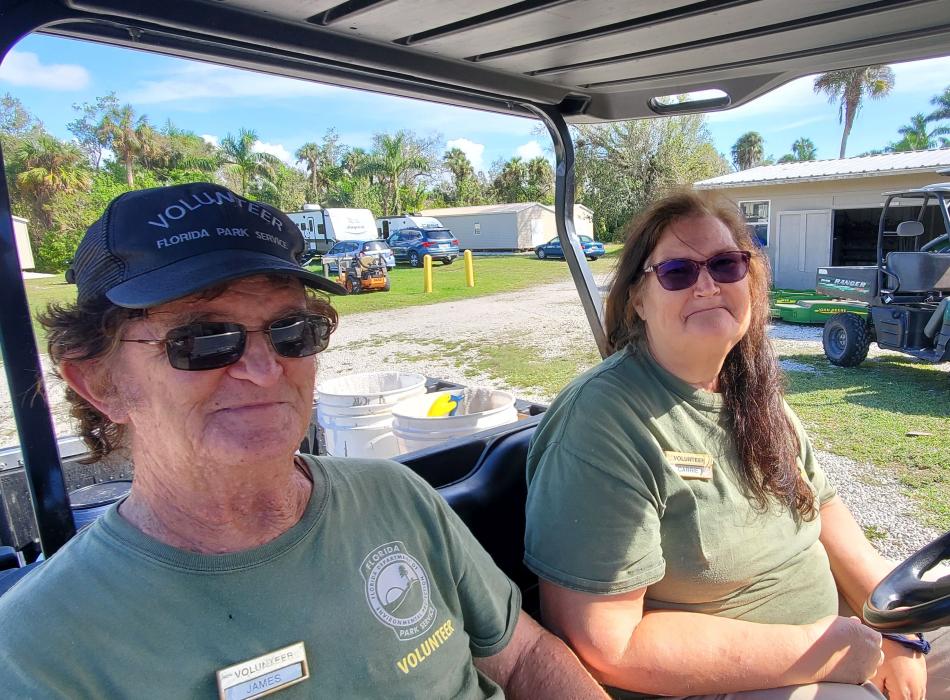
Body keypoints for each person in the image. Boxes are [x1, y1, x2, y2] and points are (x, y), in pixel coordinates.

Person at [0, 182, 608, 699]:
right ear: (97, 380)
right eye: (205, 340)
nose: (266, 371)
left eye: (293, 330)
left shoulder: (396, 497)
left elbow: (524, 658)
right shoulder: (41, 649)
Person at [523, 189, 948, 700]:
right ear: (638, 298)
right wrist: (826, 648)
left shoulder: (752, 393)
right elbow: (604, 646)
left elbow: (834, 529)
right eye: (678, 272)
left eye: (726, 265)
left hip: (838, 641)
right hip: (722, 683)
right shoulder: (602, 423)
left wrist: (897, 631)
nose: (706, 285)